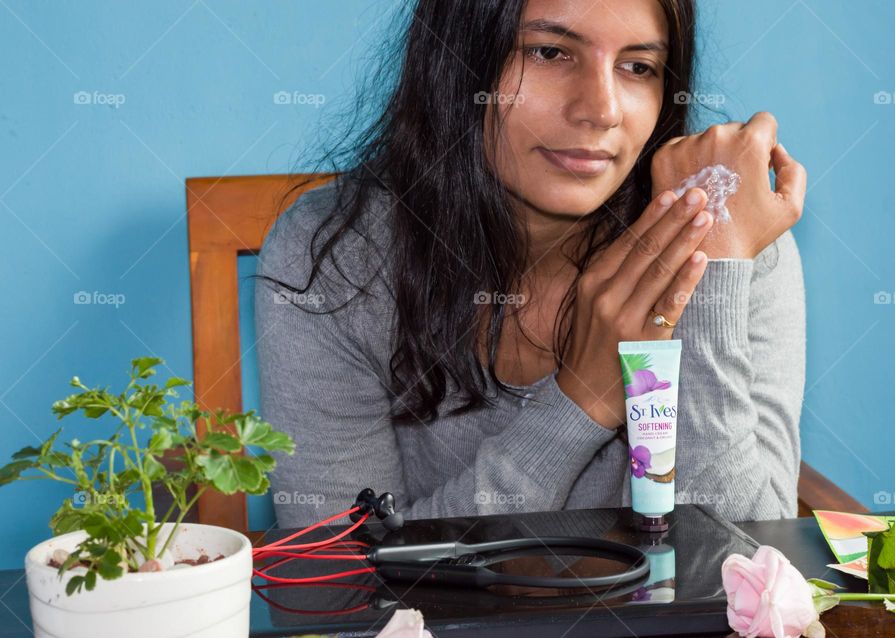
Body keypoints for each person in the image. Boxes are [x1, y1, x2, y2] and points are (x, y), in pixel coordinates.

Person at [254, 0, 807, 529]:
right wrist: (580, 403)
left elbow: (752, 570)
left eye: (638, 66)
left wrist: (713, 270)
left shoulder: (731, 243)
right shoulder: (337, 257)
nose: (601, 110)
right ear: (457, 60)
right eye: (549, 52)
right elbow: (339, 577)